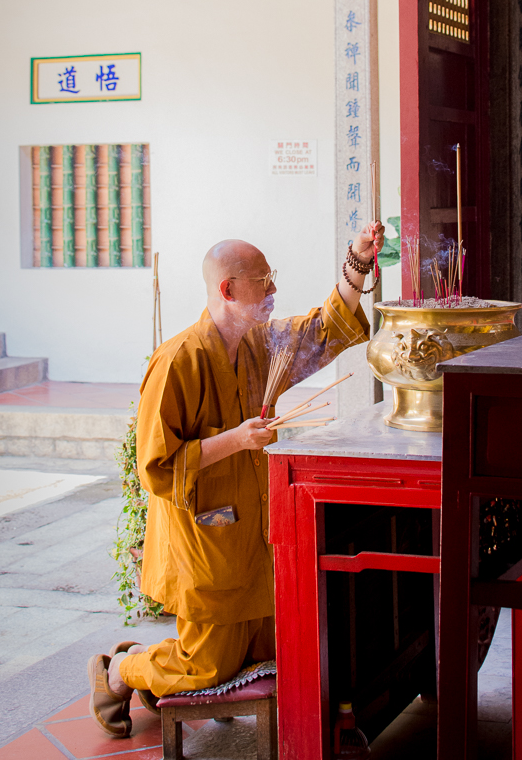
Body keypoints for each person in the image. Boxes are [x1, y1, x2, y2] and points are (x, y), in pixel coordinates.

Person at [88, 221, 385, 737]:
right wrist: (235, 440)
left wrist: (357, 262)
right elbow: (154, 466)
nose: (273, 291)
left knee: (266, 652)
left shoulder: (258, 345)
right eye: (263, 281)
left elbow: (322, 331)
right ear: (228, 290)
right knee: (206, 668)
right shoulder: (177, 360)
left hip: (252, 530)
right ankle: (119, 668)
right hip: (202, 538)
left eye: (273, 279)